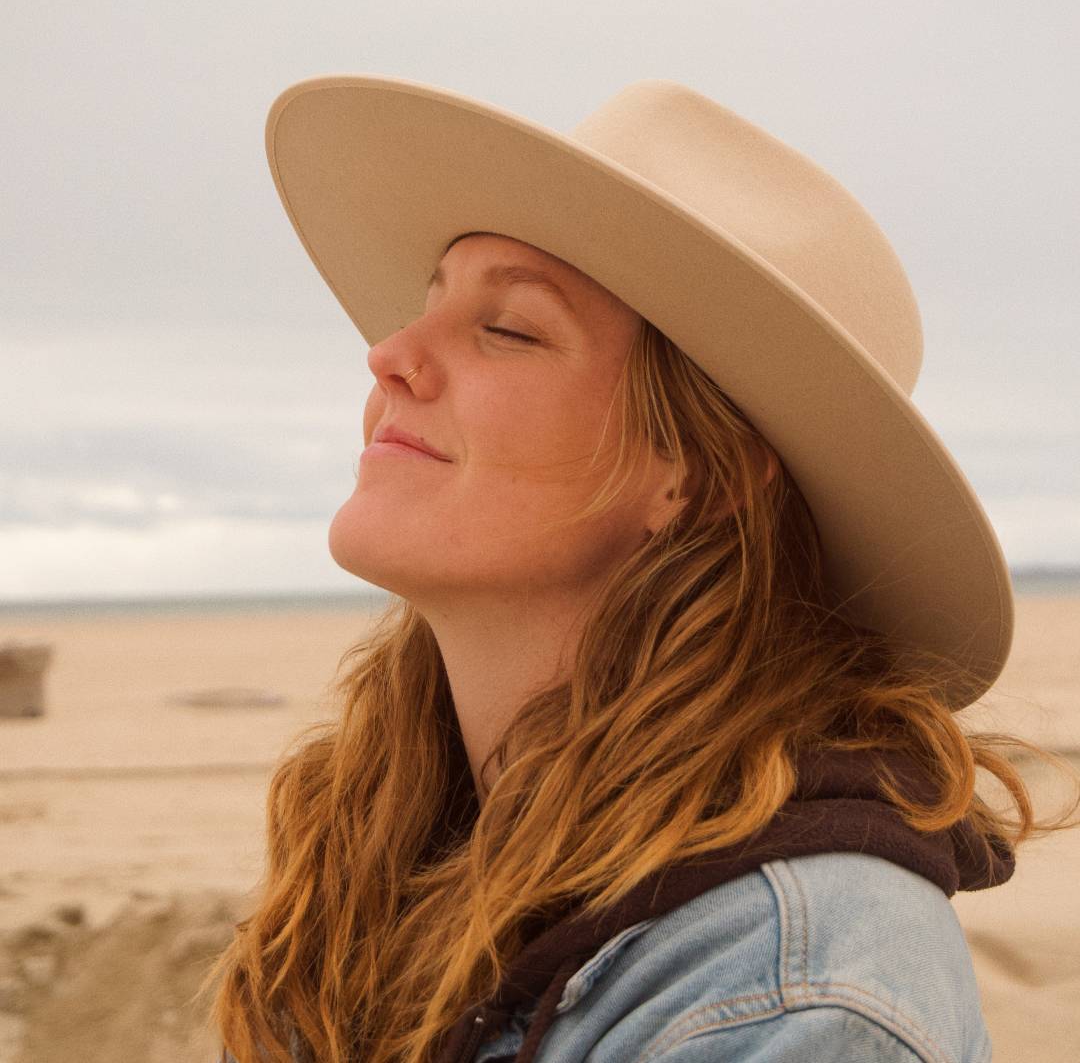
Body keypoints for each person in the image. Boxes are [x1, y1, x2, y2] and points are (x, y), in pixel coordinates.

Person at [202, 75, 1080, 1063]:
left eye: (510, 329)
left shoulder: (790, 986)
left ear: (699, 478)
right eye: (427, 303)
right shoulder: (384, 841)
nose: (390, 354)